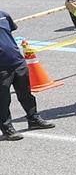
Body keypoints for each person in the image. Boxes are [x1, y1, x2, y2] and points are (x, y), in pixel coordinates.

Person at [0, 9, 56, 141]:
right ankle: (7, 128)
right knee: (3, 99)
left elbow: (9, 33)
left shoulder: (3, 15)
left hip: (17, 61)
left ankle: (33, 119)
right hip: (1, 67)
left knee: (26, 94)